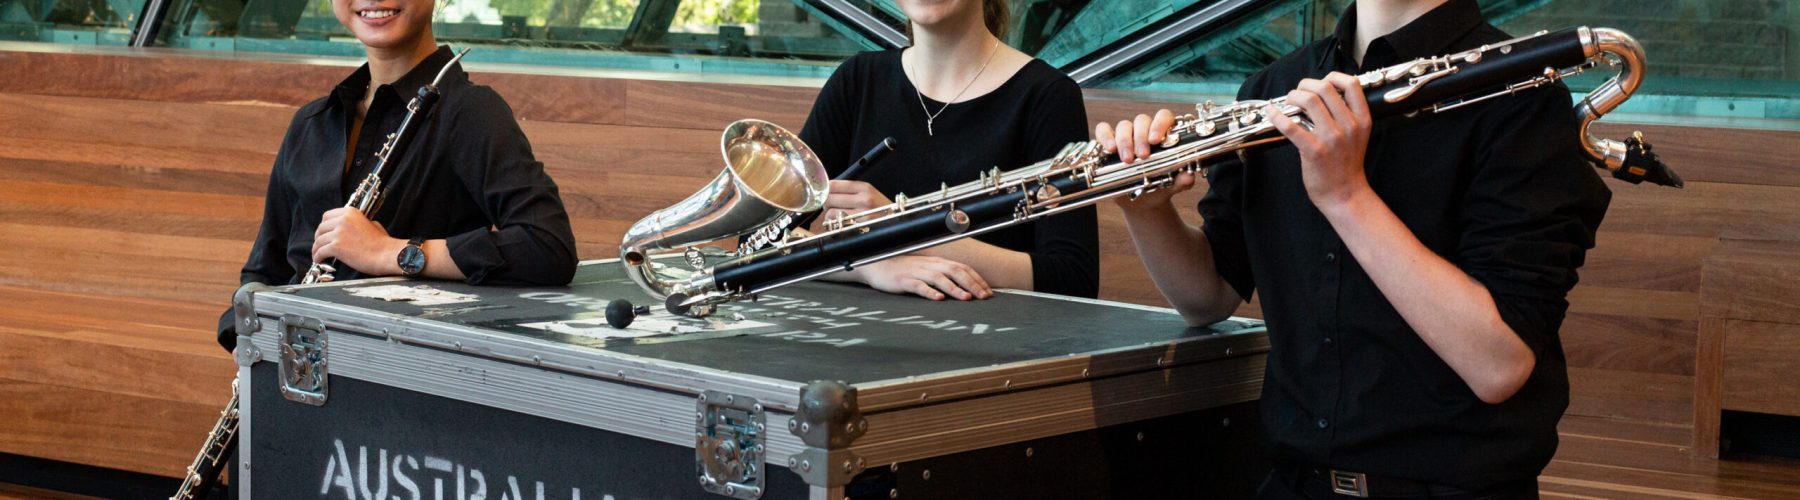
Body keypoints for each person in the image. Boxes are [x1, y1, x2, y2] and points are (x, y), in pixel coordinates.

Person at [1098, 0, 1610, 497]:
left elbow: (1498, 365)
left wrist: (1346, 196)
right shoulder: (1271, 89)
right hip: (1290, 481)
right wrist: (1146, 211)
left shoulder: (1520, 94)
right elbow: (1207, 298)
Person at [216, 0, 578, 352]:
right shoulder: (311, 124)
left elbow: (547, 247)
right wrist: (246, 338)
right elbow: (265, 270)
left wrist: (391, 253)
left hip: (402, 381)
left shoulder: (470, 112)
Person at [799, 0, 1099, 301]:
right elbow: (757, 243)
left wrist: (900, 227)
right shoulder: (856, 81)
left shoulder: (1049, 97)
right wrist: (868, 268)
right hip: (858, 337)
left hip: (992, 340)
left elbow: (1072, 277)